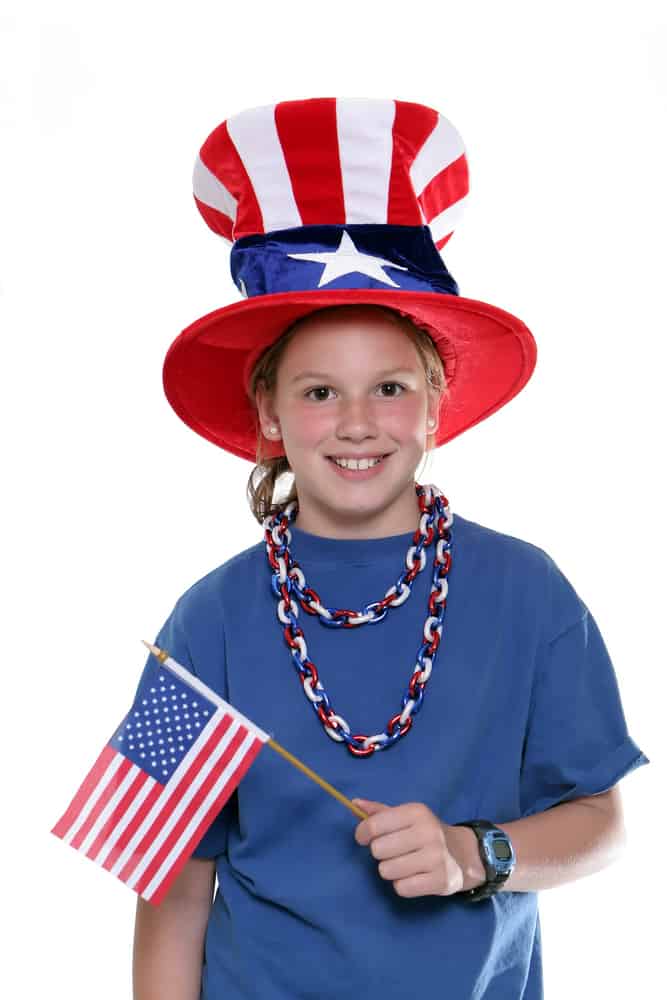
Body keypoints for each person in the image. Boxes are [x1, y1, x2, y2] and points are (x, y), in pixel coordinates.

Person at [132, 98, 650, 1000]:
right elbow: (173, 881)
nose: (358, 423)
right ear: (269, 415)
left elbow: (601, 822)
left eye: (390, 387)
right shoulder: (209, 614)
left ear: (435, 405)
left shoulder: (524, 590)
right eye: (320, 391)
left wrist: (472, 854)